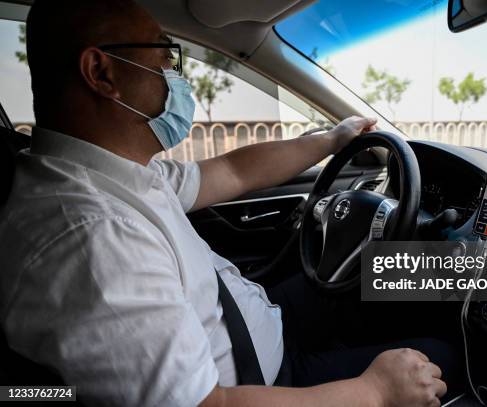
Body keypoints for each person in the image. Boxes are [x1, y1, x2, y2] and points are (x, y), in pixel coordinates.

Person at [0, 0, 457, 406]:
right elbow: (207, 403)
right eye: (164, 56)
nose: (175, 76)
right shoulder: (94, 236)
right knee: (444, 356)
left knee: (392, 271)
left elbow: (233, 172)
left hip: (263, 325)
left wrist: (332, 138)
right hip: (266, 380)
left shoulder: (113, 175)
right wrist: (375, 391)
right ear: (102, 73)